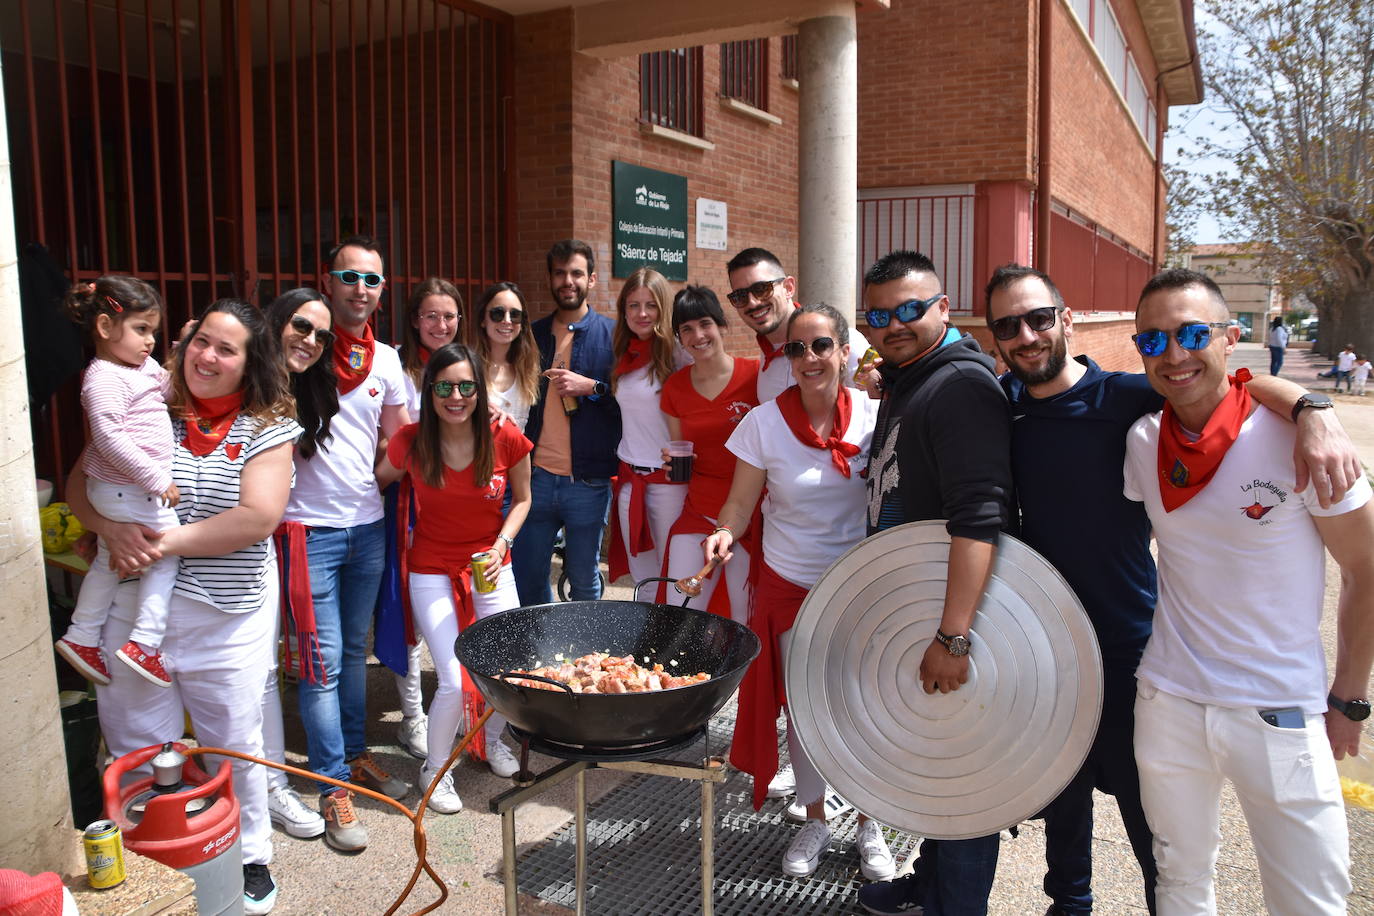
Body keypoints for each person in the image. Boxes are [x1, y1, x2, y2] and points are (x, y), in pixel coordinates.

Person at [982, 264, 1362, 916]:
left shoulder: (1136, 404)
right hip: (1099, 665)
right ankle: (1068, 905)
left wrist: (1312, 405)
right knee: (1106, 825)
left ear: (1066, 321)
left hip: (1189, 669)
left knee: (1277, 889)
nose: (1174, 354)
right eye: (1009, 325)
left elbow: (1231, 389)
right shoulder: (1040, 414)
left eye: (1039, 317)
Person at [1122, 268, 1374, 914]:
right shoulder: (1143, 441)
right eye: (1153, 341)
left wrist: (1348, 696)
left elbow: (1368, 568)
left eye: (1192, 333)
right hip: (1169, 701)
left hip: (1278, 711)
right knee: (1179, 882)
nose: (1174, 355)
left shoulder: (1302, 442)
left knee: (1310, 901)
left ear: (1230, 338)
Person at [67, 298, 300, 915]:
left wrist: (157, 543)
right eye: (200, 341)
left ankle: (249, 854)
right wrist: (108, 528)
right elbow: (78, 482)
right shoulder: (145, 404)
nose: (207, 356)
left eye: (226, 348)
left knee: (232, 743)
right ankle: (151, 855)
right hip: (132, 612)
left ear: (251, 364)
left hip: (226, 616)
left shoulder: (268, 425)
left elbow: (257, 517)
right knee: (138, 743)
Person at [706, 303, 895, 881]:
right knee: (807, 712)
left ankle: (870, 824)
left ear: (845, 351)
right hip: (789, 585)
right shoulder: (764, 423)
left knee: (864, 707)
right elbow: (741, 501)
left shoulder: (875, 415)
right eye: (796, 349)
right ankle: (814, 818)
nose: (808, 358)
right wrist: (723, 531)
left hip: (858, 587)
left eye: (819, 346)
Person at [854, 250, 1011, 916]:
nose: (895, 324)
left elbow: (980, 516)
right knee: (938, 768)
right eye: (880, 315)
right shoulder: (911, 376)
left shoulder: (960, 388)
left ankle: (957, 904)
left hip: (954, 611)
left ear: (944, 308)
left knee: (965, 778)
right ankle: (931, 883)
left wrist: (955, 634)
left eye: (912, 310)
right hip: (920, 598)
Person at [284, 235, 410, 853]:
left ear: (382, 292)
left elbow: (401, 443)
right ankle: (330, 783)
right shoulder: (298, 349)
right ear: (327, 282)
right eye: (350, 277)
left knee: (354, 654)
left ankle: (354, 756)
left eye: (372, 281)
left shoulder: (385, 361)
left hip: (368, 528)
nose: (361, 289)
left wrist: (374, 480)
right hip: (307, 531)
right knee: (322, 661)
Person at [377, 343, 533, 807]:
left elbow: (523, 500)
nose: (456, 396)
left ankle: (491, 743)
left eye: (467, 385)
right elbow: (373, 480)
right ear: (430, 390)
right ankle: (436, 769)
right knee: (451, 676)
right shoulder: (410, 439)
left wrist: (502, 544)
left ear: (479, 390)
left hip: (490, 566)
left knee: (503, 668)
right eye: (444, 386)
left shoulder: (504, 435)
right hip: (430, 569)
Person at [54, 276, 181, 689]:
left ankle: (82, 635)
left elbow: (167, 387)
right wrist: (157, 477)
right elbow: (109, 439)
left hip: (123, 491)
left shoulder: (138, 366)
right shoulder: (103, 378)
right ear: (106, 328)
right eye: (141, 330)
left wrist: (181, 357)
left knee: (111, 563)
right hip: (125, 489)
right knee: (167, 552)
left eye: (153, 332)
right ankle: (145, 641)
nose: (149, 341)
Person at [261, 288, 337, 842]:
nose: (310, 341)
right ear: (275, 323)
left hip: (262, 552)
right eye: (301, 327)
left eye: (320, 335)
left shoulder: (304, 393)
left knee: (274, 674)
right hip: (216, 552)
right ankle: (260, 792)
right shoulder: (246, 383)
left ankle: (274, 789)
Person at [510, 240, 621, 605]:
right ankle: (540, 651)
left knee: (584, 578)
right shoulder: (531, 334)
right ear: (550, 279)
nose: (567, 281)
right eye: (560, 273)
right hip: (535, 478)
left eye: (576, 273)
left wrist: (594, 388)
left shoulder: (613, 335)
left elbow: (629, 403)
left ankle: (585, 654)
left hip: (587, 482)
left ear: (591, 279)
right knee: (527, 574)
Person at [389, 278, 464, 759]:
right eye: (431, 316)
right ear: (415, 319)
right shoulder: (394, 364)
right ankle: (413, 715)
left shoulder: (462, 367)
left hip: (453, 507)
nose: (441, 325)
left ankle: (460, 707)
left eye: (449, 316)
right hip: (403, 505)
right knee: (405, 617)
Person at [659, 286, 759, 622]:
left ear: (721, 325)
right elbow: (680, 449)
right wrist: (674, 461)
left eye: (705, 324)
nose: (698, 335)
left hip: (751, 516)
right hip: (699, 509)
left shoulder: (756, 376)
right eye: (686, 329)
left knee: (743, 617)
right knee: (679, 609)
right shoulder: (674, 387)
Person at [608, 267, 687, 587]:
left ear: (664, 308)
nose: (642, 313)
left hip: (669, 484)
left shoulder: (680, 355)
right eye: (633, 305)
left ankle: (672, 639)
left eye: (651, 305)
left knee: (673, 576)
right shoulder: (625, 354)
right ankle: (648, 638)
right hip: (630, 481)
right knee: (643, 579)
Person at [724, 247, 865, 402]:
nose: (752, 303)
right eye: (740, 296)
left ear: (788, 288)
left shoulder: (844, 340)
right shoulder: (767, 353)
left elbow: (877, 410)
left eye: (761, 289)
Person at [471, 281, 540, 433]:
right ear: (483, 319)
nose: (507, 321)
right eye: (498, 313)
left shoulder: (529, 369)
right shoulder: (467, 368)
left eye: (515, 315)